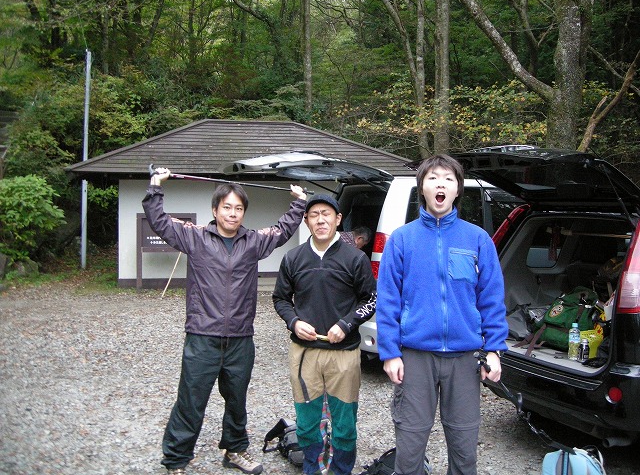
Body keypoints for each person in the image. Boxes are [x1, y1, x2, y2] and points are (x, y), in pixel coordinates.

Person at [142, 167, 308, 475]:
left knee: (236, 400)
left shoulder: (253, 241)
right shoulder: (194, 237)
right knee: (191, 400)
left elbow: (283, 230)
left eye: (238, 208)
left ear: (244, 212)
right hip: (202, 336)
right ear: (215, 210)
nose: (233, 214)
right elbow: (160, 221)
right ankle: (176, 460)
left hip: (240, 338)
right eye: (227, 207)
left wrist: (299, 202)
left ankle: (235, 450)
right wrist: (155, 185)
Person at [375, 154, 509, 475]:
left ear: (457, 189)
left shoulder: (477, 239)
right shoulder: (402, 240)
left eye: (448, 179)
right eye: (433, 178)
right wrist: (390, 353)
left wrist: (494, 349)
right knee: (409, 447)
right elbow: (388, 301)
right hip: (415, 357)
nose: (441, 184)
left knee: (464, 449)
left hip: (464, 359)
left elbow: (491, 298)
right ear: (422, 187)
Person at [272, 194, 377, 475]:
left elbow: (370, 299)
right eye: (314, 215)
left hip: (343, 352)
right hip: (304, 352)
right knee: (307, 420)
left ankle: (340, 469)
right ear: (306, 221)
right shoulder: (293, 258)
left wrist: (346, 324)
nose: (320, 220)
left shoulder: (355, 258)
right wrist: (294, 322)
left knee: (344, 421)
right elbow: (280, 299)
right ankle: (312, 467)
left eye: (326, 214)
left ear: (338, 219)